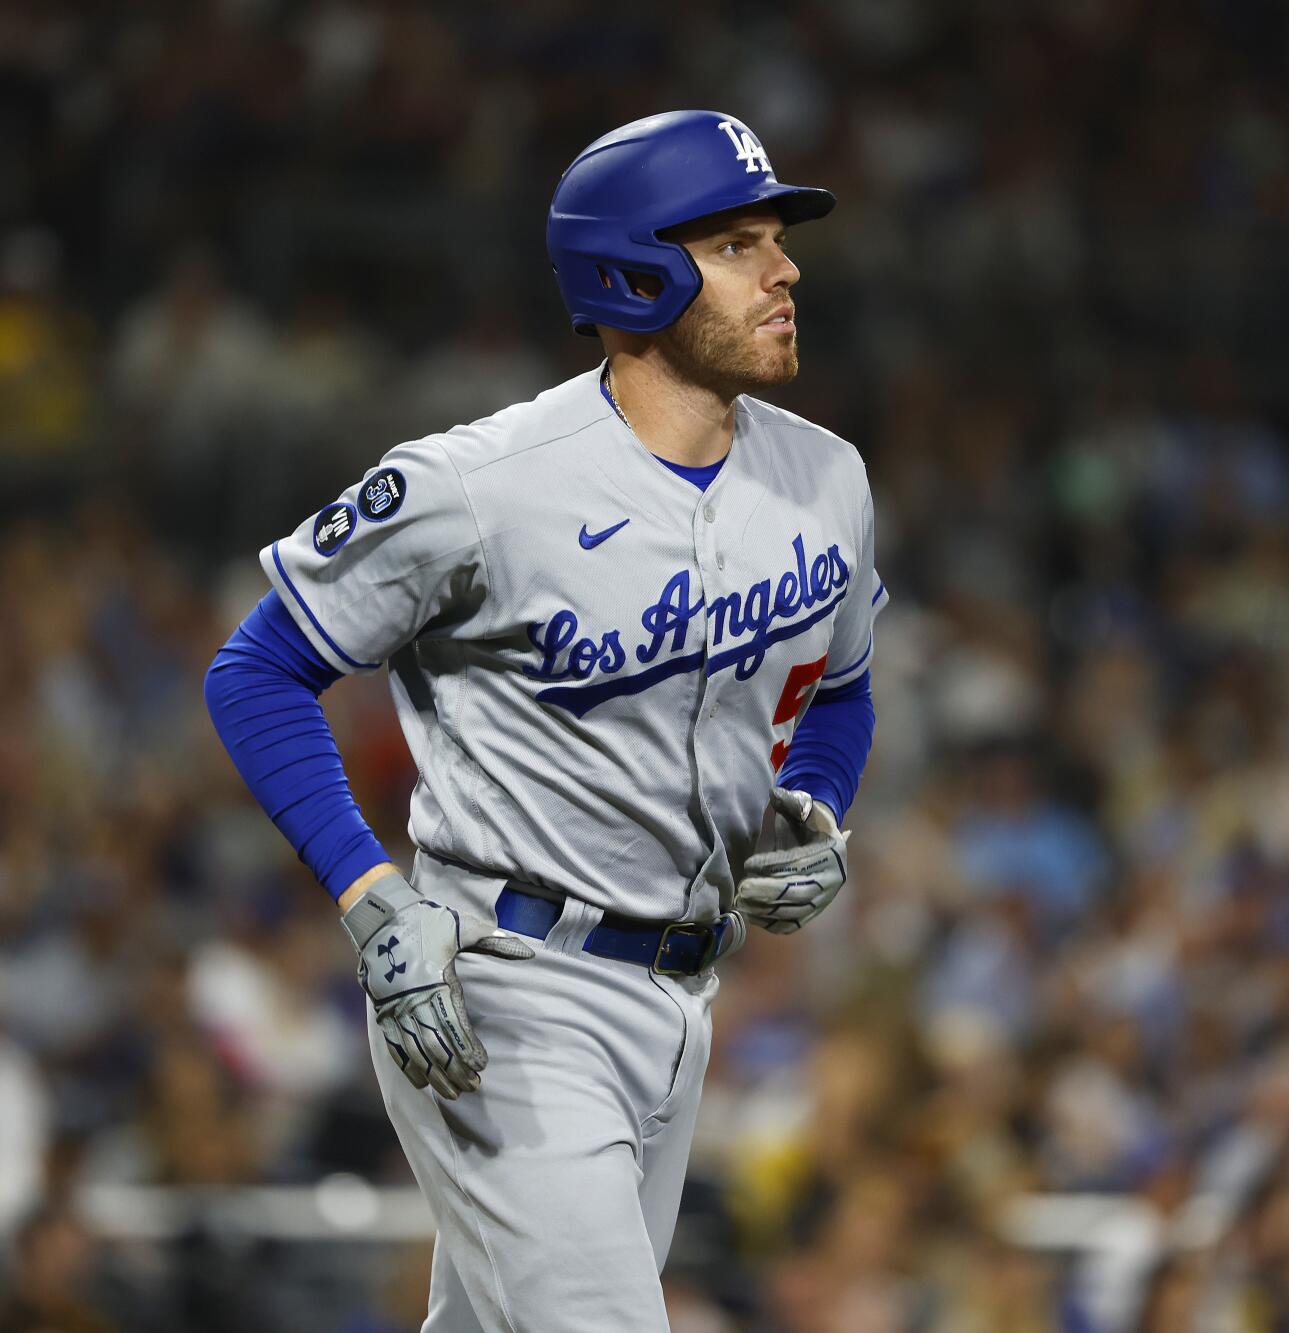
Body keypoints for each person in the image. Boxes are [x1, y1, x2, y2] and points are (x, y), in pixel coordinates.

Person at [206, 110, 884, 1329]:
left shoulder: (825, 477)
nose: (784, 269)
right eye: (737, 243)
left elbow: (841, 690)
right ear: (636, 273)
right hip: (504, 993)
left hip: (682, 1002)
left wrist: (819, 805)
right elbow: (256, 670)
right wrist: (369, 898)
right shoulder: (479, 485)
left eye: (775, 239)